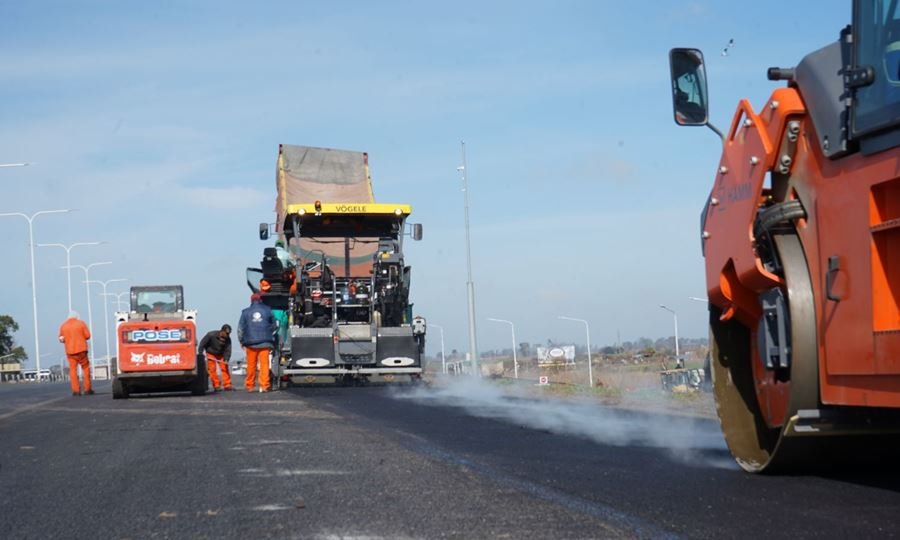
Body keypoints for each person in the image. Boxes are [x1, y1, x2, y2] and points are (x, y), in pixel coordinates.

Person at [238, 293, 276, 393]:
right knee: (264, 365)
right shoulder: (268, 310)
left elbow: (240, 328)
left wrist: (241, 341)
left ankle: (249, 386)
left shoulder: (245, 312)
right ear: (261, 300)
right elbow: (274, 325)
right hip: (265, 342)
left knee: (251, 365)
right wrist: (269, 333)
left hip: (250, 343)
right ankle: (264, 385)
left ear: (251, 300)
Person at [58, 311, 92, 396]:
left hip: (70, 351)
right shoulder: (81, 323)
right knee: (85, 368)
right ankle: (87, 389)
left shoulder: (63, 326)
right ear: (77, 317)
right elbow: (88, 336)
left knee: (73, 370)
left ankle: (76, 390)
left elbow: (61, 339)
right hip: (82, 350)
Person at [198, 324, 234, 391]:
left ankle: (227, 385)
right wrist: (200, 353)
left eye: (228, 334)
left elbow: (228, 350)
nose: (227, 335)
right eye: (226, 333)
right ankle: (216, 385)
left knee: (224, 368)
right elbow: (202, 343)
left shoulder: (228, 339)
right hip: (211, 353)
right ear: (222, 331)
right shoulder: (211, 335)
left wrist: (226, 359)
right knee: (212, 369)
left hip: (221, 355)